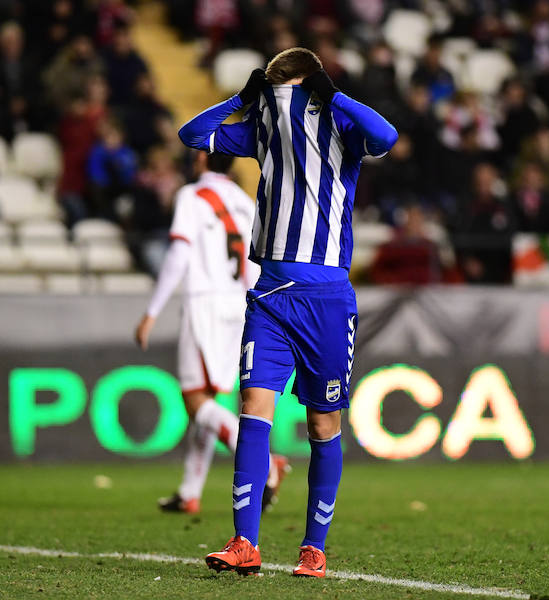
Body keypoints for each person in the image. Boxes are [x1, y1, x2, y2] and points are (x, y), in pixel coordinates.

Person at [177, 47, 397, 578]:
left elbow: (387, 137)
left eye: (296, 90)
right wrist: (240, 100)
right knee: (254, 406)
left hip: (326, 299)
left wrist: (334, 95)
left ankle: (313, 547)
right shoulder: (262, 129)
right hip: (271, 296)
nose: (286, 102)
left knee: (323, 423)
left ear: (315, 86)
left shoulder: (341, 124)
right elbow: (192, 136)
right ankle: (243, 542)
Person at [135, 149, 288, 515]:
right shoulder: (242, 200)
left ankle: (265, 464)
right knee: (207, 399)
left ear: (202, 160)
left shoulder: (191, 195)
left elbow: (178, 255)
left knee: (194, 399)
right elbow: (257, 262)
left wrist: (151, 312)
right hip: (239, 304)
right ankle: (190, 491)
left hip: (204, 302)